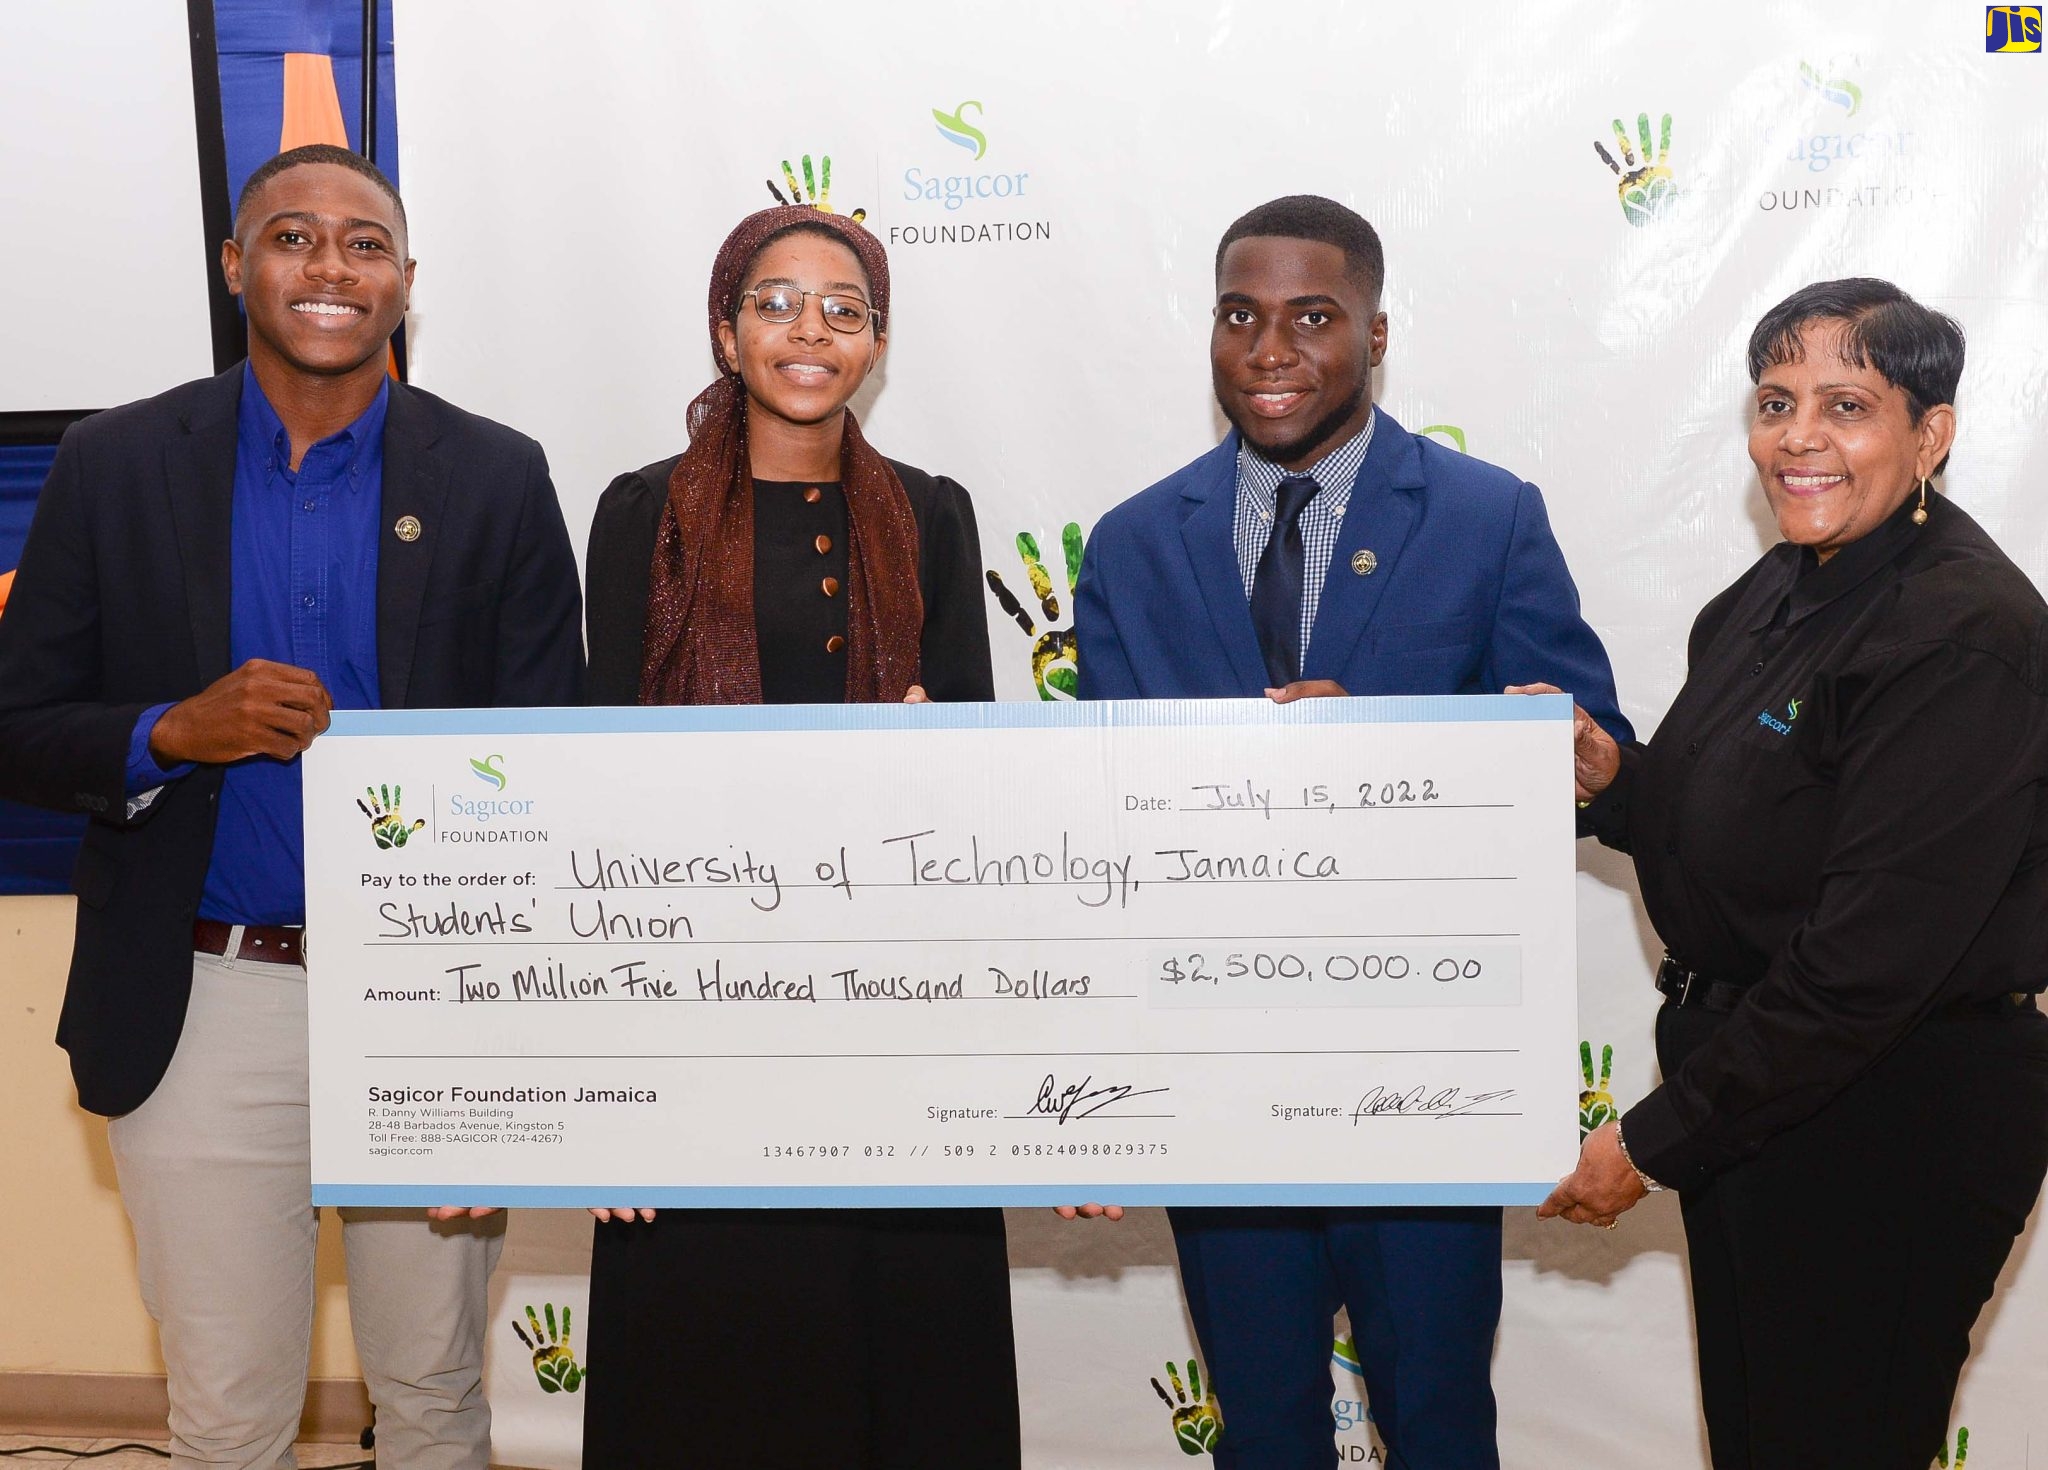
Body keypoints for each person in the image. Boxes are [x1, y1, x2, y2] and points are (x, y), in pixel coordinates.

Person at [0, 144, 583, 1468]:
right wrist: (169, 731)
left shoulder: (495, 477)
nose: (332, 265)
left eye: (365, 243)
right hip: (205, 996)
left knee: (434, 1398)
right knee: (226, 1412)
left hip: (429, 1005)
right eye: (295, 237)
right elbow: (16, 723)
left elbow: (550, 759)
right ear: (234, 266)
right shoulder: (114, 461)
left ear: (407, 281)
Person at [1072, 194, 1630, 1470]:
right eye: (1239, 316)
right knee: (1263, 1434)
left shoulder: (1487, 517)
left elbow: (1586, 744)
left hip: (1421, 1075)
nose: (1269, 349)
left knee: (1437, 1423)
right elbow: (1092, 832)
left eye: (1311, 317)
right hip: (1213, 1075)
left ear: (1378, 336)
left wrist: (1410, 745)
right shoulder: (1131, 543)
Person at [1536, 278, 2048, 1469]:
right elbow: (1748, 822)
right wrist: (1612, 778)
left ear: (1930, 434)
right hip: (1767, 1105)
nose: (1797, 437)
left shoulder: (1958, 634)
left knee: (1835, 1439)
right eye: (1774, 401)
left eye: (1845, 405)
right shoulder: (1773, 590)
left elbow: (1863, 965)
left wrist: (1652, 1142)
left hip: (1889, 1120)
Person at [578, 203, 1018, 1469]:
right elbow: (597, 786)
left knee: (907, 1382)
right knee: (710, 1385)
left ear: (875, 342)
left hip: (895, 1018)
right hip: (694, 1008)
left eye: (843, 308)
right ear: (725, 333)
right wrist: (606, 1079)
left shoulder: (930, 513)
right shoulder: (637, 514)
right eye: (773, 303)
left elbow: (979, 793)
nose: (807, 330)